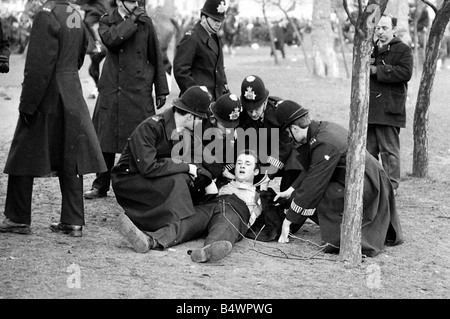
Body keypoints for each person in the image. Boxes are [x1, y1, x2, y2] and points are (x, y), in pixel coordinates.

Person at [0, 0, 106, 237]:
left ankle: (17, 217)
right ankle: (73, 220)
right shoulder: (75, 14)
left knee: (21, 153)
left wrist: (27, 105)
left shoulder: (45, 15)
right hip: (71, 91)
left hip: (47, 95)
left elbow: (38, 66)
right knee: (71, 156)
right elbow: (81, 53)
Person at [274, 100, 404, 257]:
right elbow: (312, 168)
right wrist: (291, 190)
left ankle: (341, 237)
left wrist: (289, 220)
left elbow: (313, 186)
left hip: (367, 185)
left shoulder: (323, 143)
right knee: (310, 193)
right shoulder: (321, 129)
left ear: (294, 128)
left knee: (321, 194)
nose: (290, 137)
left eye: (288, 133)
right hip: (367, 179)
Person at [111, 85, 217, 249]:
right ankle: (168, 223)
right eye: (201, 118)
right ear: (190, 116)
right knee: (179, 180)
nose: (201, 122)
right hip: (130, 181)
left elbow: (198, 161)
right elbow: (148, 167)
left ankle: (173, 222)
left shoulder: (184, 131)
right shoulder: (151, 127)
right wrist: (187, 167)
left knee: (187, 180)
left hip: (153, 178)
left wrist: (208, 180)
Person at [84, 0, 169, 199]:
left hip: (138, 89)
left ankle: (134, 185)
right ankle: (101, 184)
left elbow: (155, 55)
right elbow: (112, 40)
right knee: (105, 138)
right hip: (114, 87)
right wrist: (131, 20)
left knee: (140, 139)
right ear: (120, 2)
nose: (136, 4)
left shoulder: (146, 22)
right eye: (131, 1)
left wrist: (162, 90)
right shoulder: (107, 21)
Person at [116, 150, 263, 264]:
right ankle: (148, 240)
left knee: (224, 227)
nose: (242, 166)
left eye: (248, 164)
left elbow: (257, 217)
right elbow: (206, 189)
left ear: (256, 171)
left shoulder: (260, 195)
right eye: (239, 163)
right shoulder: (223, 184)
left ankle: (207, 251)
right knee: (185, 221)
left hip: (234, 212)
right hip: (211, 206)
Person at [368, 14, 413, 194]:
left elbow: (405, 73)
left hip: (390, 108)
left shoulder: (403, 49)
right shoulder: (370, 48)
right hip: (370, 109)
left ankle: (391, 188)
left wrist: (377, 70)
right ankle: (370, 186)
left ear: (393, 29)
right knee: (368, 152)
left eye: (385, 28)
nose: (380, 32)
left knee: (389, 152)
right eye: (377, 28)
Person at [173, 0, 229, 101]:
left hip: (215, 100)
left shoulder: (215, 37)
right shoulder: (192, 38)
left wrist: (225, 90)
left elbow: (219, 68)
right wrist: (197, 94)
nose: (218, 24)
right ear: (203, 18)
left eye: (220, 21)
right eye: (215, 20)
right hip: (196, 103)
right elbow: (181, 71)